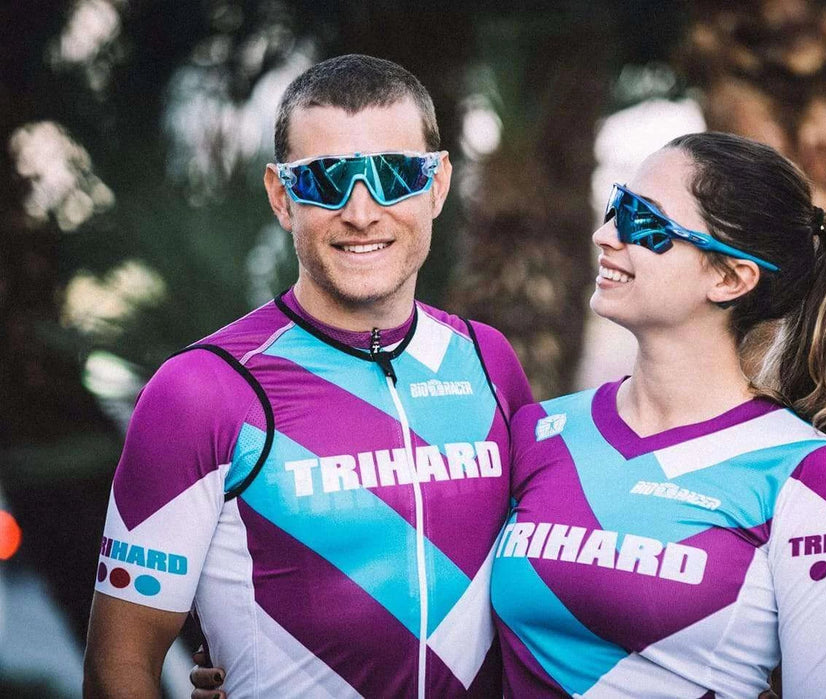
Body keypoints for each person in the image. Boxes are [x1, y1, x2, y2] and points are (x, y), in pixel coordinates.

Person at [83, 54, 532, 698]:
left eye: (395, 174)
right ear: (281, 196)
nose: (361, 211)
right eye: (326, 180)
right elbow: (116, 667)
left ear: (437, 185)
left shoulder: (489, 362)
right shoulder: (201, 391)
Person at [489, 132, 826, 697]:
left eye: (643, 221)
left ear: (729, 278)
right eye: (618, 205)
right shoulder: (537, 433)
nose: (605, 234)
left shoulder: (811, 480)